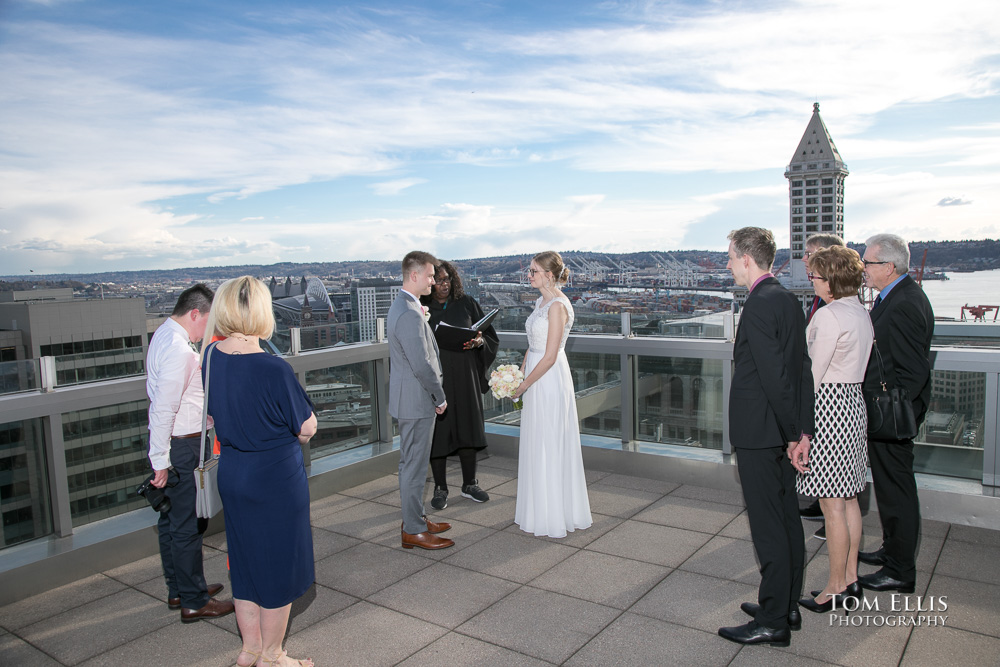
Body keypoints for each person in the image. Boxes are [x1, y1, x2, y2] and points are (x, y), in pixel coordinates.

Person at [200, 276, 317, 667]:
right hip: (274, 479)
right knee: (279, 569)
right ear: (263, 311)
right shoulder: (273, 367)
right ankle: (272, 654)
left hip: (233, 474)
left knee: (246, 564)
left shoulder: (210, 357)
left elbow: (217, 412)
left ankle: (249, 649)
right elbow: (305, 428)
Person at [718, 227, 813, 647]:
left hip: (761, 432)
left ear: (746, 259)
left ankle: (773, 620)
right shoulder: (789, 298)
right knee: (787, 518)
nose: (726, 264)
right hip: (781, 430)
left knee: (768, 527)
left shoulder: (757, 305)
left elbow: (774, 376)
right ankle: (786, 602)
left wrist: (793, 433)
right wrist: (800, 430)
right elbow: (802, 369)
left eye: (729, 257)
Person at [146, 284, 234, 623]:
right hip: (181, 445)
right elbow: (164, 408)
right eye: (207, 321)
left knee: (171, 522)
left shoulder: (163, 336)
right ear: (194, 313)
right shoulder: (180, 350)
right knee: (187, 525)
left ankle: (179, 588)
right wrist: (161, 461)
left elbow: (169, 401)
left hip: (175, 442)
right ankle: (194, 601)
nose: (207, 331)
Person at [796, 246, 872, 613]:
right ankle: (852, 578)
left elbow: (812, 373)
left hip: (828, 408)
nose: (812, 281)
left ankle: (834, 587)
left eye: (816, 276)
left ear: (831, 279)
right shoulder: (860, 312)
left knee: (831, 505)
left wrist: (799, 424)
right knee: (849, 499)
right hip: (852, 405)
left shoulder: (828, 317)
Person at [857, 234, 934, 594]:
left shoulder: (902, 303)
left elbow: (913, 370)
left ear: (889, 267)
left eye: (868, 263)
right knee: (890, 487)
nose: (863, 269)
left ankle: (900, 570)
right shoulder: (899, 296)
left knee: (896, 490)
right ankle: (893, 550)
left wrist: (895, 410)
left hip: (893, 416)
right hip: (893, 412)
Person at [512, 251, 592, 538]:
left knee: (549, 439)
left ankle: (553, 513)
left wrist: (524, 385)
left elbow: (549, 355)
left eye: (533, 271)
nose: (529, 276)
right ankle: (538, 509)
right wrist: (518, 374)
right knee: (537, 438)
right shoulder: (540, 301)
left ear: (548, 274)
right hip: (535, 372)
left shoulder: (558, 305)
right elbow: (532, 346)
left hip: (548, 377)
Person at [388, 251, 454, 550]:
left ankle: (415, 518)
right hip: (416, 402)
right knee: (414, 468)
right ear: (413, 276)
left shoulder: (407, 306)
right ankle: (413, 529)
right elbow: (421, 364)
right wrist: (439, 397)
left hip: (411, 400)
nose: (433, 280)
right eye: (429, 276)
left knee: (411, 465)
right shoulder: (408, 312)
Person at [421, 260, 499, 510]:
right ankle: (440, 487)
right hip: (438, 377)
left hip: (465, 375)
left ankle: (469, 484)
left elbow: (488, 336)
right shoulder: (422, 307)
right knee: (439, 434)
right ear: (430, 281)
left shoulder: (466, 303)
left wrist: (478, 343)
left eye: (447, 280)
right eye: (438, 280)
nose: (443, 285)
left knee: (467, 429)